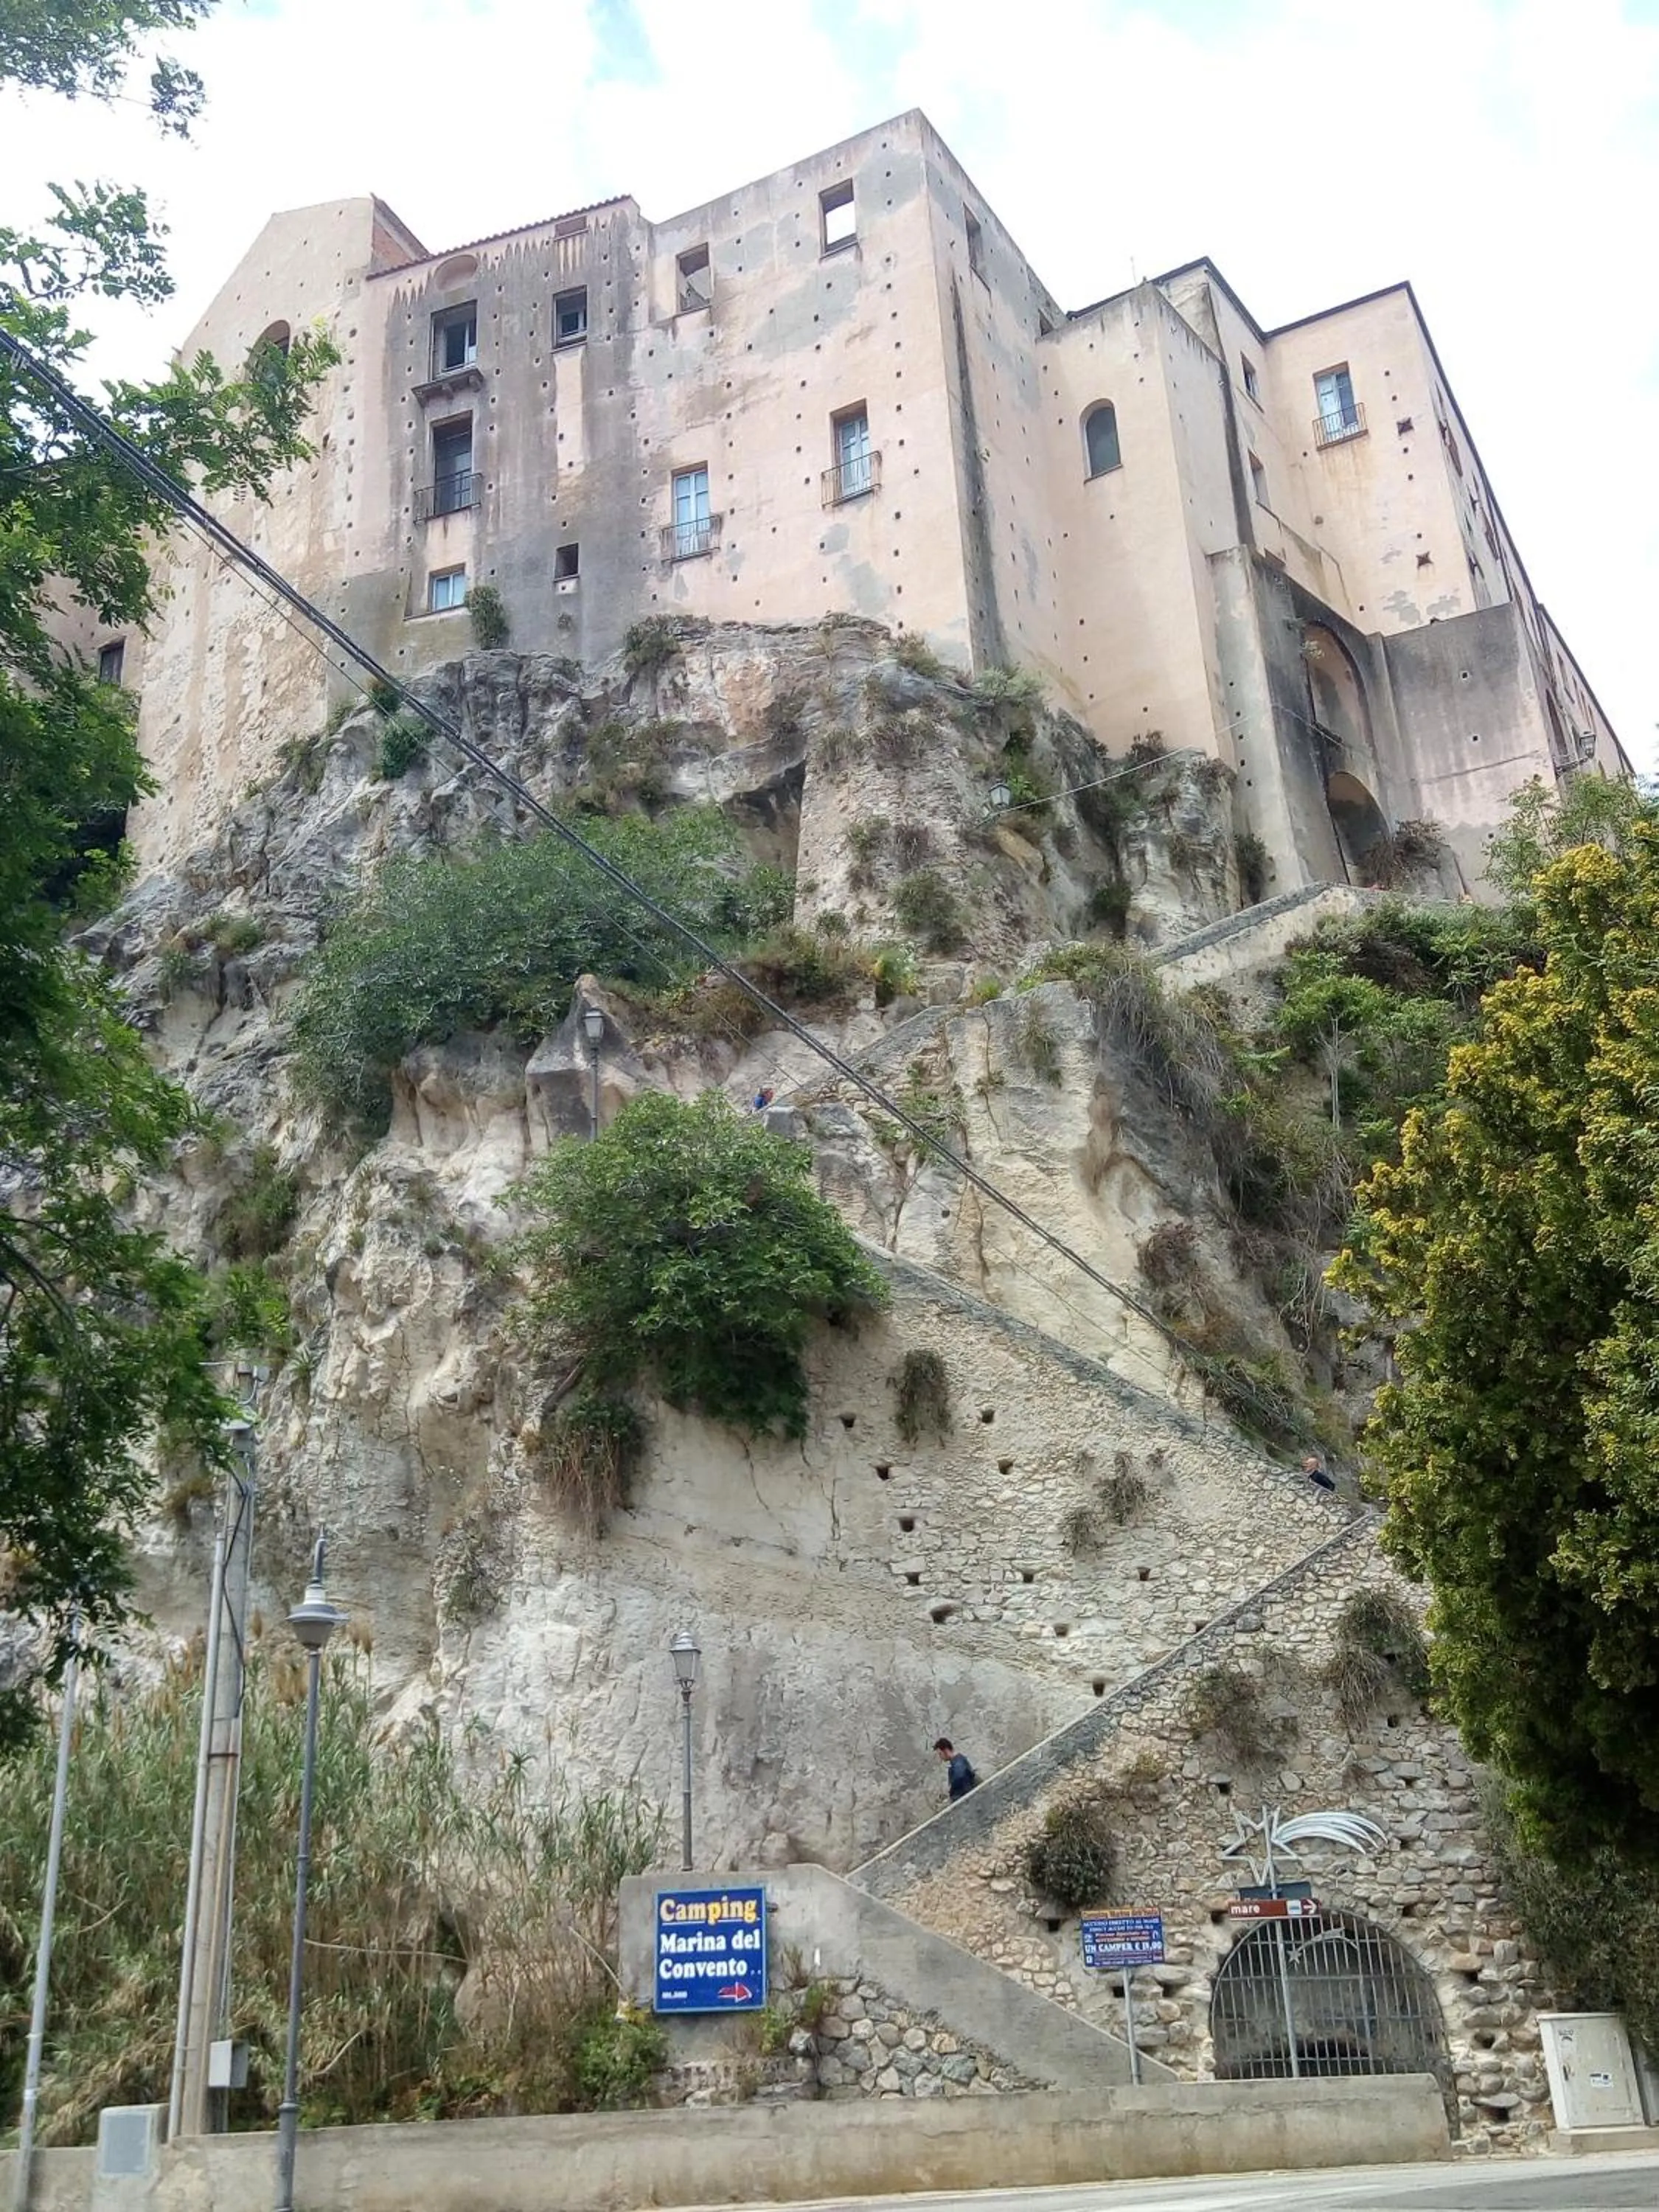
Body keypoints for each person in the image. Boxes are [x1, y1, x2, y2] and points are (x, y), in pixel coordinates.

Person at [933, 1736, 978, 1800]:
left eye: (940, 1754)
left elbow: (960, 1780)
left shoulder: (958, 1764)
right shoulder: (958, 1762)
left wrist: (953, 1793)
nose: (940, 1757)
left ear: (946, 1751)